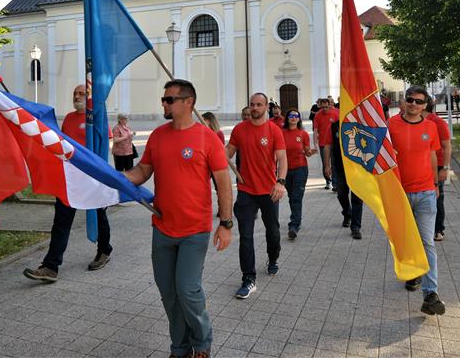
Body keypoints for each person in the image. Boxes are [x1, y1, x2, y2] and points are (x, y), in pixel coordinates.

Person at [123, 79, 232, 358]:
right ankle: (180, 348)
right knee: (169, 295)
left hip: (194, 230)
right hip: (162, 228)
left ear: (188, 102)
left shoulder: (206, 137)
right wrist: (114, 178)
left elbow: (223, 183)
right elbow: (142, 171)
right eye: (164, 99)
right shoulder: (158, 136)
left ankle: (202, 342)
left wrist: (226, 224)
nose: (164, 103)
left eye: (169, 99)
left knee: (187, 290)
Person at [23, 85, 113, 282]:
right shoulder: (70, 119)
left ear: (89, 96)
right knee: (61, 222)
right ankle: (50, 266)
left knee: (99, 216)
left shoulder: (96, 118)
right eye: (75, 94)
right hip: (71, 179)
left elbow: (105, 144)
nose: (77, 96)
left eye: (82, 93)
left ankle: (104, 250)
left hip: (92, 178)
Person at [388, 86, 445, 316]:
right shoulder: (391, 125)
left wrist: (435, 184)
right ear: (404, 101)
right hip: (399, 194)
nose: (413, 104)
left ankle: (431, 294)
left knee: (427, 243)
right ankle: (412, 274)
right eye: (410, 100)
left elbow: (432, 155)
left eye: (419, 102)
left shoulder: (430, 127)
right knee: (404, 242)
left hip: (425, 193)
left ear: (425, 105)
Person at [226, 93, 287, 299]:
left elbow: (282, 159)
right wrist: (214, 149)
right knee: (246, 235)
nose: (254, 108)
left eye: (259, 104)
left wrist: (280, 182)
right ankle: (248, 278)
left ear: (266, 107)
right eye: (252, 104)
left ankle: (272, 258)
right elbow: (227, 153)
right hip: (246, 191)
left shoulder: (274, 131)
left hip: (269, 191)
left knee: (273, 232)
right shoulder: (239, 130)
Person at [324, 119, 364, 239]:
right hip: (340, 166)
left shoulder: (361, 124)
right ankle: (347, 213)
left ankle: (356, 227)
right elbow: (327, 146)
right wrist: (327, 165)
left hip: (358, 167)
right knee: (342, 194)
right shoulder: (334, 125)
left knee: (357, 197)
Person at [280, 108, 316, 240]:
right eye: (291, 115)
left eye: (296, 116)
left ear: (299, 118)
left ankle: (294, 225)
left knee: (296, 197)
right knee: (291, 197)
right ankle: (297, 220)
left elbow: (307, 152)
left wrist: (312, 152)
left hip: (300, 169)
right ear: (287, 118)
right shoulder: (281, 132)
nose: (293, 118)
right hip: (285, 170)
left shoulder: (303, 134)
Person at [423, 101, 451, 242]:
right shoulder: (417, 121)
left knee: (437, 197)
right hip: (422, 165)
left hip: (438, 166)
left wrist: (445, 168)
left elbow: (447, 146)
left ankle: (438, 230)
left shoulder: (437, 122)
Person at [313, 98, 340, 191]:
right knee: (325, 163)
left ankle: (335, 183)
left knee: (334, 163)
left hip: (334, 143)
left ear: (330, 105)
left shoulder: (336, 112)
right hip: (322, 143)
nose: (325, 109)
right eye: (323, 107)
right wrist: (314, 143)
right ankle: (327, 181)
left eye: (327, 107)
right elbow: (315, 130)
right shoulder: (318, 115)